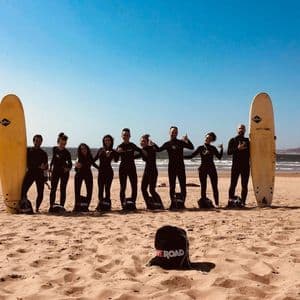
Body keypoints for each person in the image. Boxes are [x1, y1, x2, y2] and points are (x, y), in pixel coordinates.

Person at [159, 126, 194, 209]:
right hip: (171, 167)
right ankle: (173, 203)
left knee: (183, 186)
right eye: (172, 132)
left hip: (181, 167)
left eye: (175, 132)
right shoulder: (167, 144)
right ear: (169, 132)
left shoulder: (180, 142)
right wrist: (151, 145)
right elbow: (158, 150)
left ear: (177, 133)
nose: (173, 133)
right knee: (172, 186)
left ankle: (182, 203)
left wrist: (187, 140)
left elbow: (191, 147)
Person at [185, 132, 223, 207]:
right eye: (206, 137)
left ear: (211, 140)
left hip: (212, 168)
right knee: (203, 186)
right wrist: (181, 156)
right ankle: (203, 203)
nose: (207, 138)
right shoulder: (200, 148)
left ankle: (217, 204)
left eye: (209, 138)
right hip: (202, 169)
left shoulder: (213, 148)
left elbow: (219, 157)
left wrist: (221, 149)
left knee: (214, 186)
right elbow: (191, 156)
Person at [21, 134, 48, 212]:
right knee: (23, 190)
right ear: (33, 141)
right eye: (36, 140)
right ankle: (25, 205)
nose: (38, 142)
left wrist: (45, 175)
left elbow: (46, 166)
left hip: (40, 175)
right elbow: (26, 162)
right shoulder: (28, 150)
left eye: (39, 141)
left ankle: (37, 208)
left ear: (41, 142)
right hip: (30, 173)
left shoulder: (43, 153)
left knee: (40, 192)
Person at [117, 128, 142, 210]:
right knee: (123, 187)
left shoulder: (132, 145)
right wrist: (118, 153)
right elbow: (116, 159)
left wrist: (133, 157)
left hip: (132, 168)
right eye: (124, 135)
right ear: (121, 136)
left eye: (127, 135)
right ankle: (123, 205)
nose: (126, 136)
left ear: (130, 136)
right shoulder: (120, 146)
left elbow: (141, 152)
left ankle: (133, 203)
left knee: (134, 186)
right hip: (123, 168)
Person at [93, 135, 118, 211]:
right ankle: (100, 205)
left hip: (109, 172)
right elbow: (93, 160)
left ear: (111, 141)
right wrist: (98, 168)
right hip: (101, 172)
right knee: (100, 189)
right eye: (105, 140)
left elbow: (116, 160)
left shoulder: (113, 151)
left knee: (107, 189)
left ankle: (107, 206)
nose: (107, 142)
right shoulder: (100, 150)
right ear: (103, 141)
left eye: (109, 140)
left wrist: (116, 153)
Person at [227, 124, 250, 206]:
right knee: (233, 184)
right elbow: (229, 152)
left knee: (244, 185)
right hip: (235, 166)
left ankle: (243, 202)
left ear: (245, 130)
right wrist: (238, 148)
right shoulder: (233, 140)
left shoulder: (248, 141)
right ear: (237, 130)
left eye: (243, 128)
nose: (241, 129)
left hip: (245, 166)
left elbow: (254, 151)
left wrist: (271, 140)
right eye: (240, 128)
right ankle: (230, 201)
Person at [140, 134, 164, 209]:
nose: (142, 143)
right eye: (141, 141)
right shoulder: (143, 149)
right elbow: (137, 156)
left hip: (153, 172)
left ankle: (160, 204)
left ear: (147, 142)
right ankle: (149, 204)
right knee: (143, 188)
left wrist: (153, 144)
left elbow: (158, 150)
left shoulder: (151, 148)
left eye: (144, 141)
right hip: (147, 171)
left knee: (151, 190)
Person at [49, 133, 72, 209]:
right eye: (62, 142)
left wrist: (67, 168)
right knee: (53, 189)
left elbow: (70, 164)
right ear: (58, 141)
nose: (63, 144)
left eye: (65, 143)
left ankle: (62, 206)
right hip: (55, 171)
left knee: (63, 189)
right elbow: (53, 159)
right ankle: (51, 206)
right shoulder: (54, 149)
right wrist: (50, 168)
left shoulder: (67, 152)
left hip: (64, 173)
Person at [74, 143, 97, 212]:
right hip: (79, 175)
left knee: (89, 191)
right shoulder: (79, 157)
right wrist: (77, 167)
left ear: (87, 149)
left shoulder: (90, 156)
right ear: (80, 150)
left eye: (84, 148)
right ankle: (77, 207)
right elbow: (75, 169)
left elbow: (94, 164)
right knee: (77, 192)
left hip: (88, 174)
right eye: (81, 149)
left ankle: (86, 206)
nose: (83, 150)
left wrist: (100, 169)